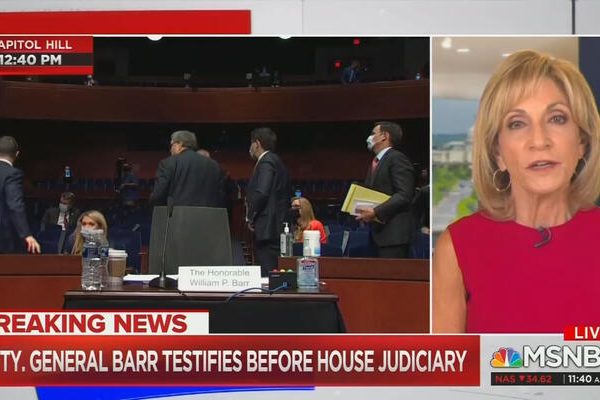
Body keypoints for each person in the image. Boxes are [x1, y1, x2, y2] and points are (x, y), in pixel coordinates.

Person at [433, 50, 600, 334]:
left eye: (557, 118)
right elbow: (446, 361)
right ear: (497, 152)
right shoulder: (457, 248)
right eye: (517, 123)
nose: (539, 140)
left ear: (581, 142)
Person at [356, 121, 415, 258]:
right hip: (377, 234)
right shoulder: (376, 161)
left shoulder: (397, 158)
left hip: (394, 237)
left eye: (373, 133)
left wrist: (375, 211)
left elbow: (404, 194)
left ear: (384, 136)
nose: (369, 137)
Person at [246, 127, 290, 276]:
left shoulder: (266, 161)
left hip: (268, 228)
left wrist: (251, 216)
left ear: (257, 143)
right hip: (276, 226)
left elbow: (262, 192)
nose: (250, 148)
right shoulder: (277, 161)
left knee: (268, 273)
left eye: (251, 143)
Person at [149, 130, 221, 207]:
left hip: (178, 213)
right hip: (208, 213)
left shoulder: (168, 163)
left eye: (172, 145)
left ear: (180, 144)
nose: (170, 149)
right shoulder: (214, 165)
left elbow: (159, 195)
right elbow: (220, 194)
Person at [0, 136, 40, 254]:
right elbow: (14, 204)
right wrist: (26, 234)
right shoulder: (12, 174)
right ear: (17, 154)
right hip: (4, 238)